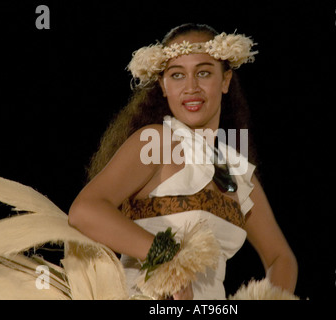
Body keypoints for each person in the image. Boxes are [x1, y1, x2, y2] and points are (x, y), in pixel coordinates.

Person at [68, 23, 298, 300]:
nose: (191, 87)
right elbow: (85, 210)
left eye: (203, 73)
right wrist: (168, 259)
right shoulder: (156, 141)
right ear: (164, 86)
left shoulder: (236, 172)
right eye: (177, 75)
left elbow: (281, 258)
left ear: (225, 81)